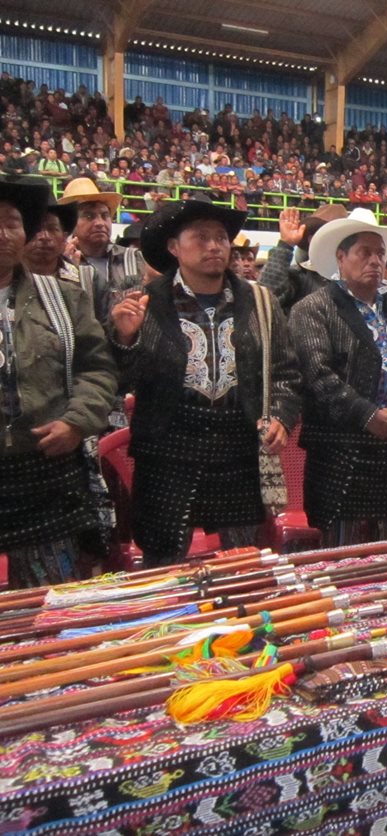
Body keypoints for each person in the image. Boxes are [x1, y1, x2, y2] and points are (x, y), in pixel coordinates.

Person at [109, 199, 301, 566]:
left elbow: (285, 373)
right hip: (168, 452)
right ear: (173, 247)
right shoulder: (148, 303)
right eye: (201, 237)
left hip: (239, 448)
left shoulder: (260, 301)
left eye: (221, 238)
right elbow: (121, 381)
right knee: (163, 563)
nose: (214, 246)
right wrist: (125, 340)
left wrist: (280, 415)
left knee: (242, 562)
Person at [288, 209, 387, 544]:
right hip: (340, 452)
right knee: (341, 554)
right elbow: (318, 374)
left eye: (379, 253)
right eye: (365, 252)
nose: (375, 260)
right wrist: (367, 414)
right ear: (341, 258)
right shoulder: (313, 308)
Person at [0, 176, 118, 587]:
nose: (3, 234)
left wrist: (77, 420)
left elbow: (98, 369)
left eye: (12, 222)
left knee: (49, 608)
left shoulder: (64, 298)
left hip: (46, 478)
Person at [57, 177, 144, 322]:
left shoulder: (135, 258)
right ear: (70, 224)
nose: (99, 223)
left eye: (105, 216)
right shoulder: (59, 263)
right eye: (88, 216)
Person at [259, 204, 349, 314]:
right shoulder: (299, 276)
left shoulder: (352, 280)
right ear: (311, 239)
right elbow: (264, 299)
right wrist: (285, 245)